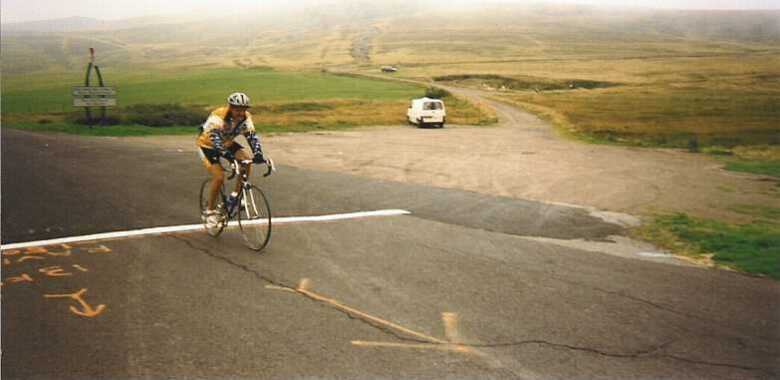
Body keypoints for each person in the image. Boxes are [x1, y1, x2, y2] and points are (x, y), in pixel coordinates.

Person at [197, 92, 269, 227]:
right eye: (237, 109)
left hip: (227, 143)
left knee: (246, 161)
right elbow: (214, 138)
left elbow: (252, 137)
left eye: (243, 109)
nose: (240, 112)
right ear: (230, 107)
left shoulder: (246, 118)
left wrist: (258, 153)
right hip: (207, 146)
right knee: (219, 177)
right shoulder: (219, 115)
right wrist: (227, 155)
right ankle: (210, 211)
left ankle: (235, 195)